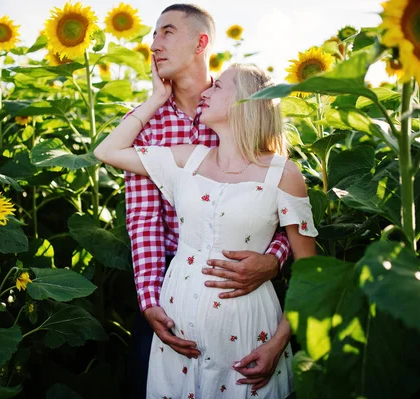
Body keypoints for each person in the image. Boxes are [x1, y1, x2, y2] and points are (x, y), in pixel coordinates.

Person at [95, 55, 318, 397]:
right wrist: (156, 98)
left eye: (218, 85)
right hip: (177, 326)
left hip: (249, 329)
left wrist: (277, 343)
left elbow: (309, 272)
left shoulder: (284, 174)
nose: (207, 90)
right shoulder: (188, 158)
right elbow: (108, 150)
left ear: (247, 100)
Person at [122, 5, 292, 397]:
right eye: (153, 35)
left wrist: (273, 260)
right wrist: (150, 301)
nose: (153, 44)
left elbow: (281, 204)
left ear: (201, 43)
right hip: (170, 282)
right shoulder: (146, 124)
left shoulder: (241, 102)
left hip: (239, 284)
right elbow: (144, 220)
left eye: (166, 32)